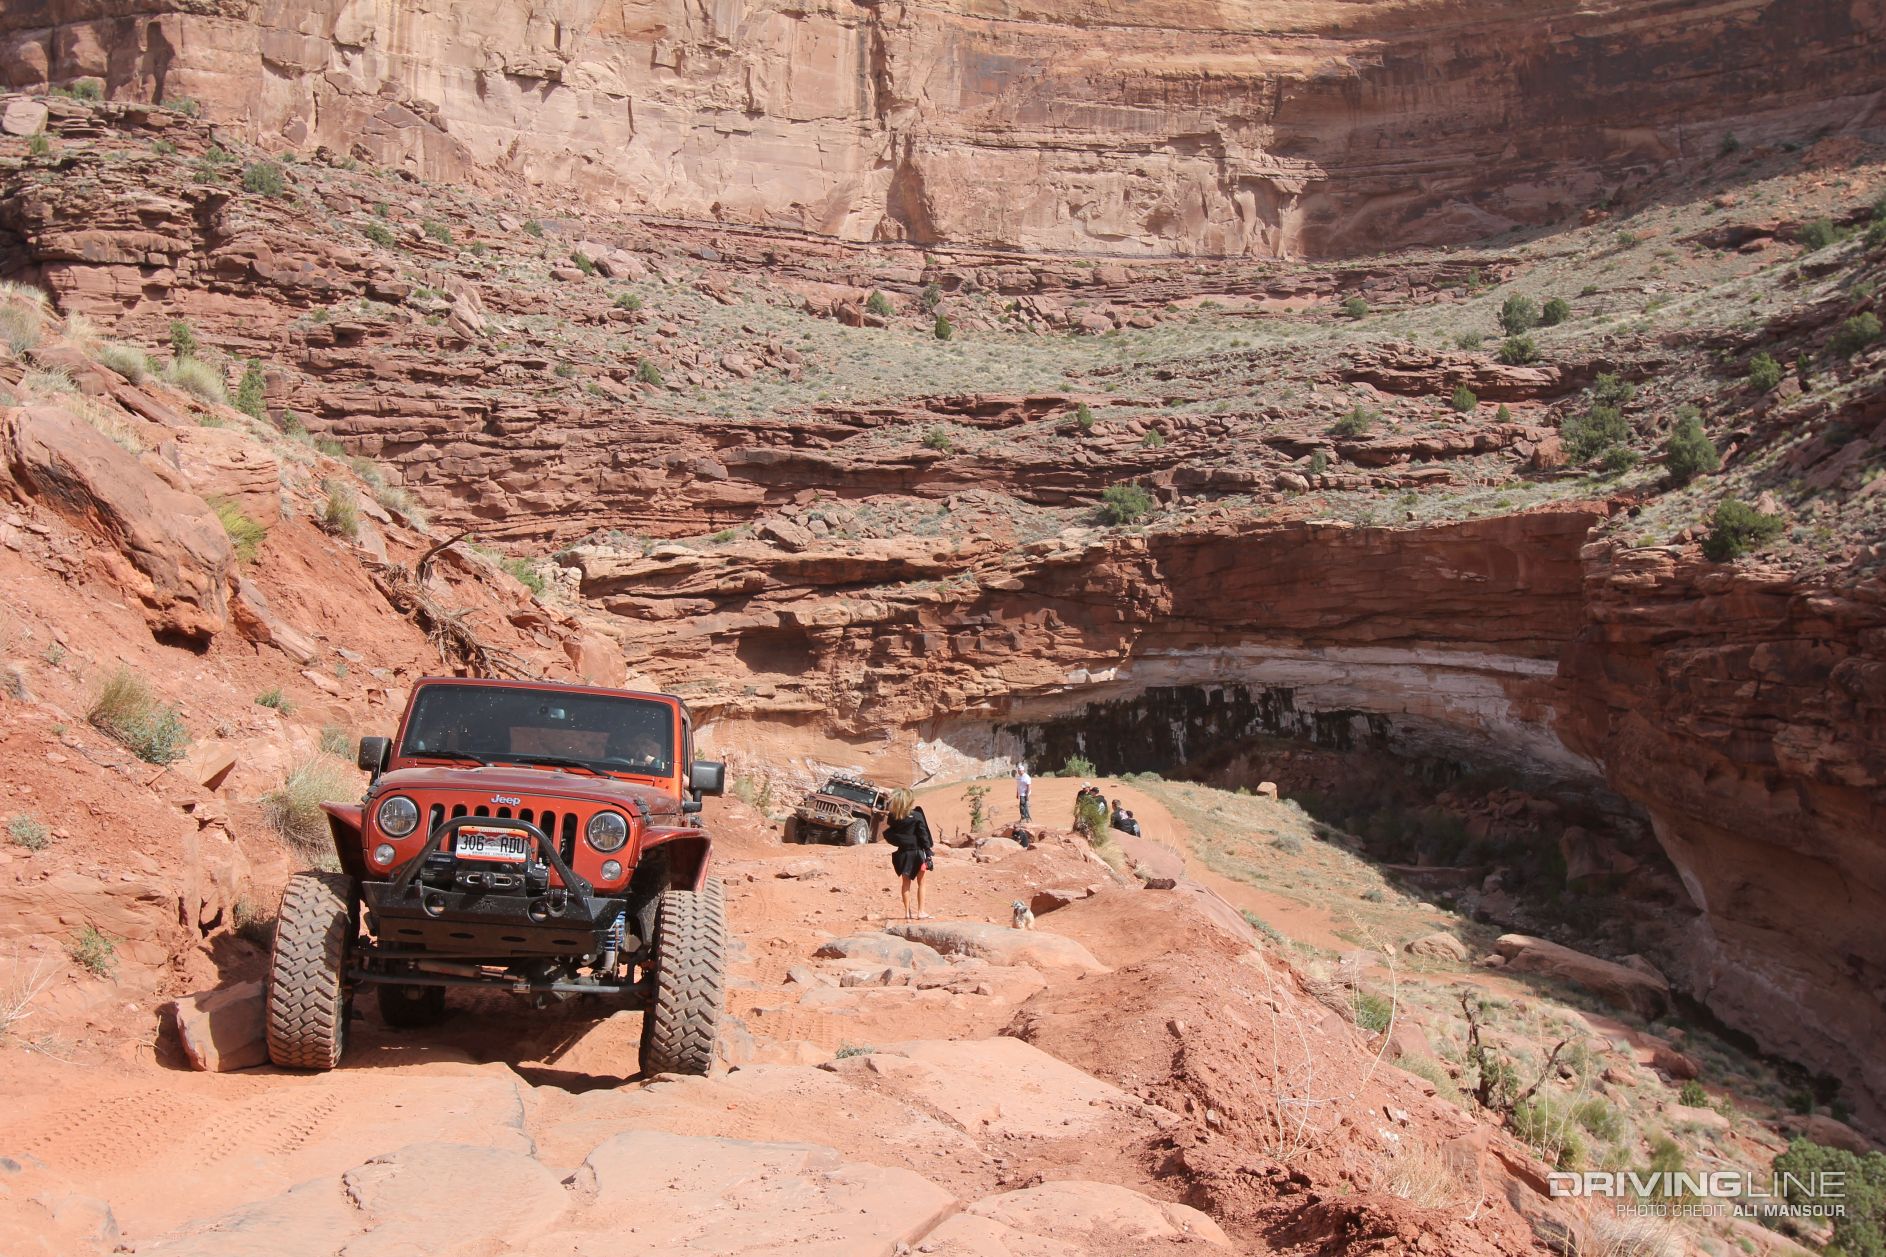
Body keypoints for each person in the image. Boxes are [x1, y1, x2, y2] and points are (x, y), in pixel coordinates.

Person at [883, 788, 934, 920]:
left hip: (902, 854)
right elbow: (923, 835)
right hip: (917, 854)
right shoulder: (916, 816)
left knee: (905, 883)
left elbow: (891, 832)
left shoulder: (894, 817)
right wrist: (928, 852)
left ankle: (907, 913)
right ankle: (921, 912)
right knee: (921, 882)